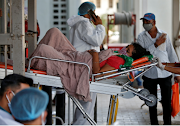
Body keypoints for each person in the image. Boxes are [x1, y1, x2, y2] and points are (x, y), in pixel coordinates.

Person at [137, 13, 180, 125]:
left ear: (154, 22)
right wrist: (155, 45)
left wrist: (177, 74)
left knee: (166, 103)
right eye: (144, 22)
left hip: (165, 73)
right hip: (149, 74)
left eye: (148, 22)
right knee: (151, 103)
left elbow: (172, 54)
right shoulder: (141, 37)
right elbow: (143, 56)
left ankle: (167, 124)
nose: (145, 24)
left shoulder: (164, 35)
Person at [67, 2, 105, 124]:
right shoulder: (84, 24)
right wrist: (100, 26)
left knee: (84, 104)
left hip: (82, 64)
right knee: (86, 104)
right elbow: (96, 40)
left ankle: (79, 123)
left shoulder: (77, 24)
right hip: (85, 67)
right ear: (91, 13)